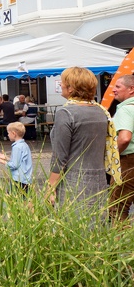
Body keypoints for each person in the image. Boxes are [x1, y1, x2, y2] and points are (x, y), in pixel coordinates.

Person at [48, 67, 110, 209]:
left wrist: (50, 187)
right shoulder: (100, 111)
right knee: (95, 226)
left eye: (62, 82)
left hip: (73, 180)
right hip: (98, 179)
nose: (61, 85)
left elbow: (60, 157)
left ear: (70, 88)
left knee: (73, 226)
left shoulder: (66, 113)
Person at [109, 74, 134, 222]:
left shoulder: (126, 110)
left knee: (117, 207)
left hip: (128, 161)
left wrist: (112, 155)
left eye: (118, 86)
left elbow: (124, 138)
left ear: (131, 89)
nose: (113, 90)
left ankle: (120, 243)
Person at [0, 122, 33, 194]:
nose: (8, 135)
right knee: (26, 199)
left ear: (14, 133)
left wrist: (3, 162)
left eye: (8, 133)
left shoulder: (16, 147)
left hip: (18, 179)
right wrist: (5, 157)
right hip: (26, 178)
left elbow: (14, 165)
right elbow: (20, 160)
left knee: (11, 198)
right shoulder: (24, 145)